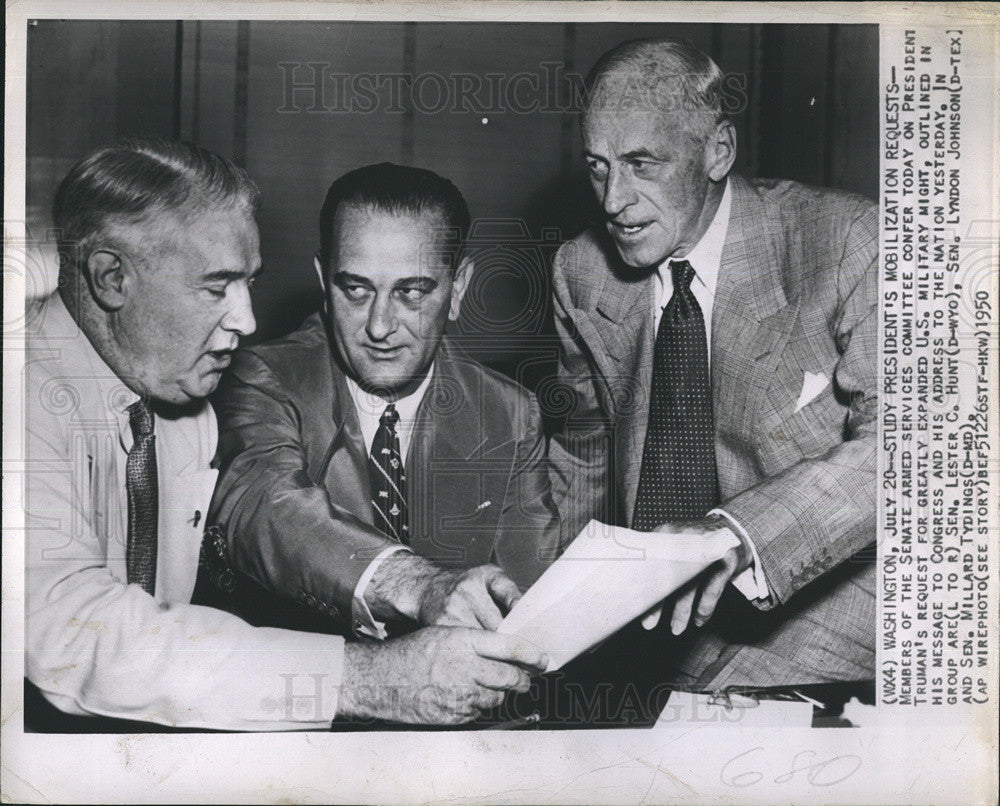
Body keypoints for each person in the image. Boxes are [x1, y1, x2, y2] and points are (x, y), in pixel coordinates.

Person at [24, 140, 546, 731]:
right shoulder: (19, 396)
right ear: (111, 276)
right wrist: (374, 673)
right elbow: (78, 633)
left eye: (248, 284)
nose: (246, 322)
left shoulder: (177, 406)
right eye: (217, 287)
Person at [548, 38, 877, 689]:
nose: (614, 199)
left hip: (830, 599)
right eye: (597, 167)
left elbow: (914, 447)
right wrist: (559, 599)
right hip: (657, 622)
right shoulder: (580, 271)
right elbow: (582, 449)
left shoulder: (849, 243)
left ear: (717, 150)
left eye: (643, 163)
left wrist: (734, 537)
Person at [204, 162, 562, 641]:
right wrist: (418, 584)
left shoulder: (510, 414)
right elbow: (268, 508)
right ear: (323, 281)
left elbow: (530, 611)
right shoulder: (261, 380)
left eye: (411, 292)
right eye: (355, 289)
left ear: (458, 290)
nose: (378, 326)